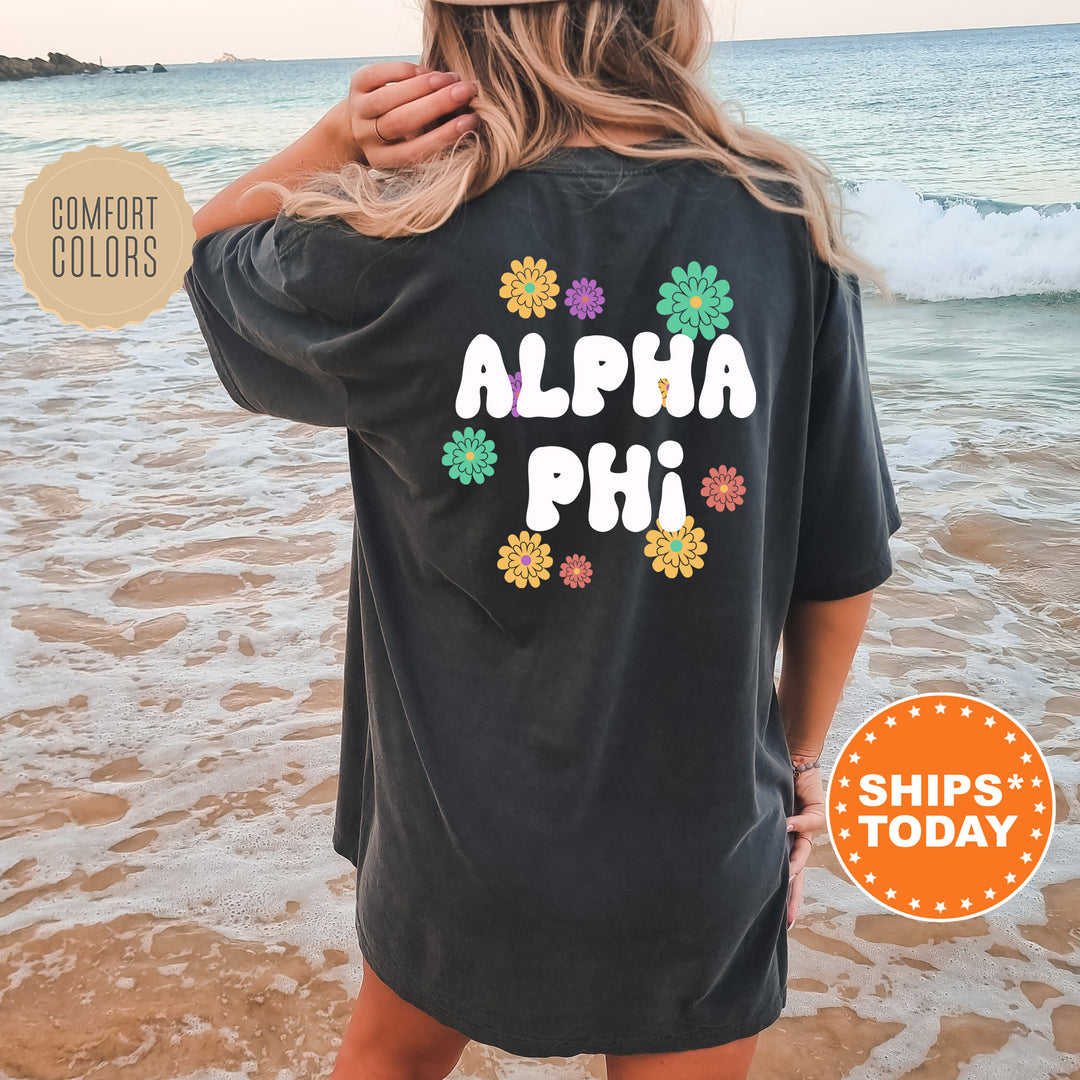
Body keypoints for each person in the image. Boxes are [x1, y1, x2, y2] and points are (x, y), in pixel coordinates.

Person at [182, 0, 903, 1076]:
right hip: (697, 833)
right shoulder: (780, 220)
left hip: (455, 836)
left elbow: (204, 253)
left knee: (388, 1057)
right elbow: (841, 560)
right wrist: (800, 764)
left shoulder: (395, 237)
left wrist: (339, 142)